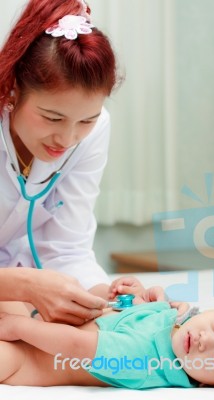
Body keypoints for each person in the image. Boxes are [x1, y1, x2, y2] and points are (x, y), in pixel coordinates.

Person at [0, 0, 122, 325]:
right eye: (52, 117)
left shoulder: (96, 131)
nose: (67, 140)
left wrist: (112, 299)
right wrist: (25, 286)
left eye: (86, 121)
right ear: (13, 91)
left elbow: (67, 249)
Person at [0, 276, 214, 389]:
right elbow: (125, 313)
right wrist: (133, 293)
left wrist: (19, 327)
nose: (205, 340)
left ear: (211, 386)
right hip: (35, 319)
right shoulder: (176, 321)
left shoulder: (146, 363)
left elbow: (77, 344)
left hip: (25, 358)